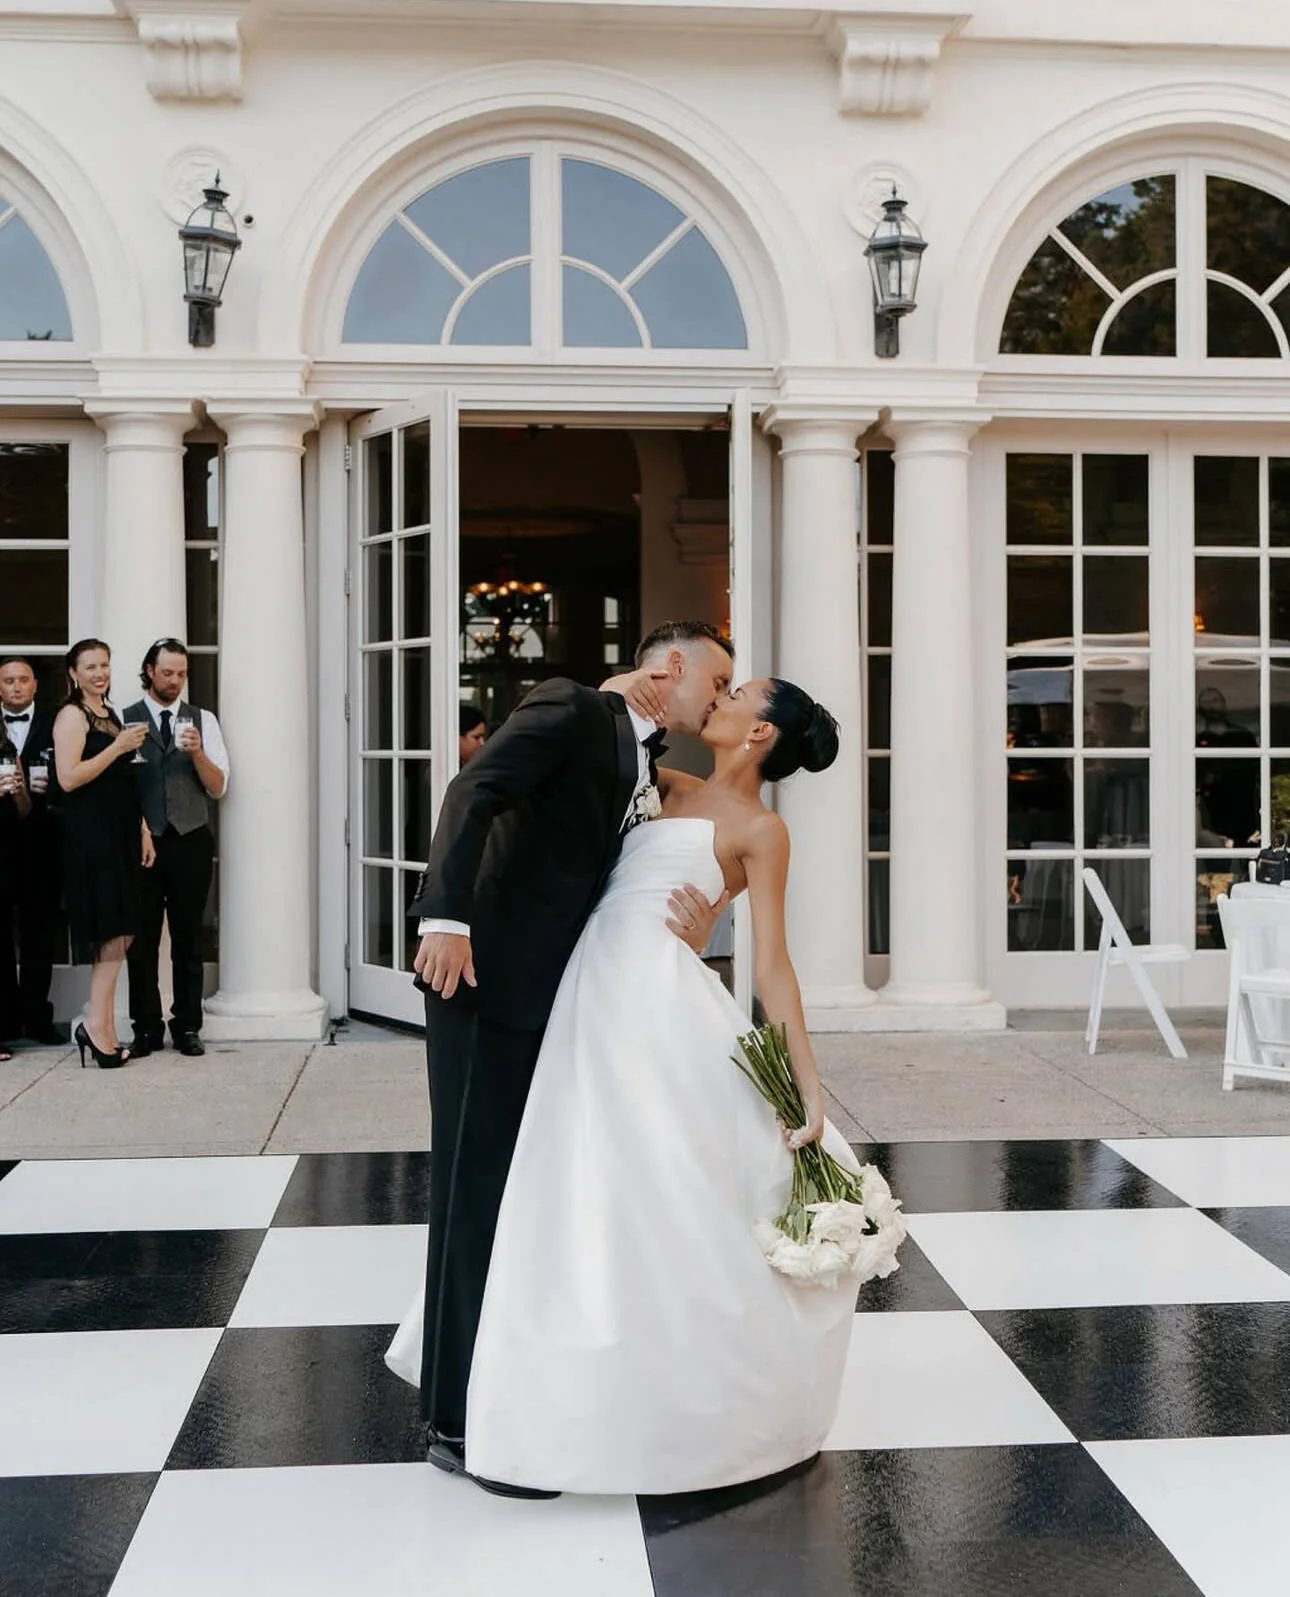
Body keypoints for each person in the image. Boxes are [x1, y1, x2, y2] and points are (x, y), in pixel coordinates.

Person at [392, 676, 864, 1496]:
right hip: (579, 989)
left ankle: (667, 1397)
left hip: (654, 1003)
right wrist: (608, 691)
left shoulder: (763, 830)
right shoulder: (659, 783)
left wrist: (807, 1082)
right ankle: (527, 1384)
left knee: (658, 1192)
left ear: (760, 735)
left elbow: (775, 964)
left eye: (737, 693)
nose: (718, 696)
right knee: (557, 1186)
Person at [405, 620, 735, 1499]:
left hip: (551, 994)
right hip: (482, 977)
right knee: (473, 1189)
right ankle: (453, 1419)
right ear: (669, 670)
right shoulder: (569, 705)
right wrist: (444, 916)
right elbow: (473, 789)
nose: (719, 699)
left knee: (516, 1191)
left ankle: (505, 1390)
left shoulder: (645, 754)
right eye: (716, 679)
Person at [121, 639, 229, 1058]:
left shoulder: (203, 720)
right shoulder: (123, 718)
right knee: (142, 939)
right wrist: (138, 827)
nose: (175, 680)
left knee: (189, 939)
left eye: (181, 673)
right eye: (167, 672)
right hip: (143, 843)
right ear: (150, 671)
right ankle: (146, 1027)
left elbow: (219, 786)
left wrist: (198, 752)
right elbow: (116, 788)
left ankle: (187, 1026)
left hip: (190, 841)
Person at [53, 640, 154, 1068]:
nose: (100, 673)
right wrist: (117, 747)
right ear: (73, 673)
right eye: (90, 666)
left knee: (124, 928)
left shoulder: (110, 714)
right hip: (91, 833)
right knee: (112, 927)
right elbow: (68, 778)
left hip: (121, 831)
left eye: (105, 665)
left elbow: (126, 781)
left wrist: (143, 829)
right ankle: (97, 1026)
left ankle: (102, 1025)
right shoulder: (72, 715)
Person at [0, 656, 61, 1045]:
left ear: (36, 685)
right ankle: (5, 1024)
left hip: (46, 840)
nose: (17, 687)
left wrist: (49, 788)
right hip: (1, 840)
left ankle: (39, 1018)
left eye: (23, 680)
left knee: (42, 931)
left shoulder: (58, 721)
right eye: (9, 681)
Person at [0, 721, 33, 1061]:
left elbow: (24, 810)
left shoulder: (8, 751)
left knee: (3, 943)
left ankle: (6, 1028)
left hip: (5, 854)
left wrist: (19, 791)